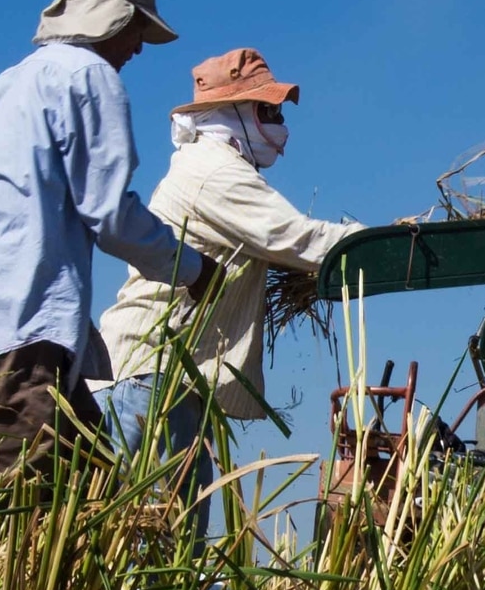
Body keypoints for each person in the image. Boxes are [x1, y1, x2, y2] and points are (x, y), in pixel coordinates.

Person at [0, 0, 206, 482]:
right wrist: (192, 269)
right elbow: (111, 214)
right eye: (138, 28)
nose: (140, 46)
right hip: (25, 319)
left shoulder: (0, 87)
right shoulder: (89, 77)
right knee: (8, 494)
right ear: (113, 14)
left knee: (90, 485)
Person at [93, 46, 362, 528]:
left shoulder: (215, 167)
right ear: (232, 110)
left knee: (169, 539)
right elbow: (297, 239)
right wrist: (382, 243)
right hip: (149, 376)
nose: (279, 123)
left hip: (164, 381)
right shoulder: (216, 171)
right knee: (154, 540)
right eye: (268, 110)